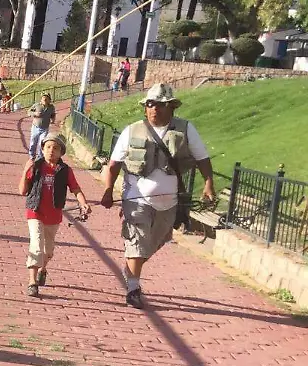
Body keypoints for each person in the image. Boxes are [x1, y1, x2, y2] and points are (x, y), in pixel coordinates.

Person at [101, 83, 215, 309]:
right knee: (137, 241)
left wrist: (209, 184)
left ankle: (131, 268)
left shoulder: (185, 129)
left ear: (171, 107)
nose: (155, 109)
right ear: (145, 107)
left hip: (169, 202)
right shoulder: (131, 130)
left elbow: (202, 158)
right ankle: (133, 288)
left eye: (161, 105)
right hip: (137, 199)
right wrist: (108, 190)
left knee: (156, 242)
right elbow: (114, 164)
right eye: (150, 104)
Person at [18, 133, 91, 298]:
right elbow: (22, 191)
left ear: (61, 152)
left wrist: (83, 203)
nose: (51, 151)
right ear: (42, 149)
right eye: (48, 147)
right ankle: (32, 282)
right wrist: (25, 171)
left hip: (54, 216)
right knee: (36, 245)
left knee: (48, 251)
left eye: (56, 148)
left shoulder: (65, 171)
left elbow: (75, 189)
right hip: (35, 212)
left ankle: (43, 269)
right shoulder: (35, 166)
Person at [27, 94, 57, 159]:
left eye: (46, 99)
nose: (45, 100)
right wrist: (35, 114)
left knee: (42, 142)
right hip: (35, 127)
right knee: (33, 142)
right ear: (41, 100)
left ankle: (40, 157)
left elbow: (53, 114)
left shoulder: (51, 107)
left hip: (45, 128)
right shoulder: (37, 105)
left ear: (49, 100)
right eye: (43, 99)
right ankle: (32, 156)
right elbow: (29, 112)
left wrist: (53, 119)